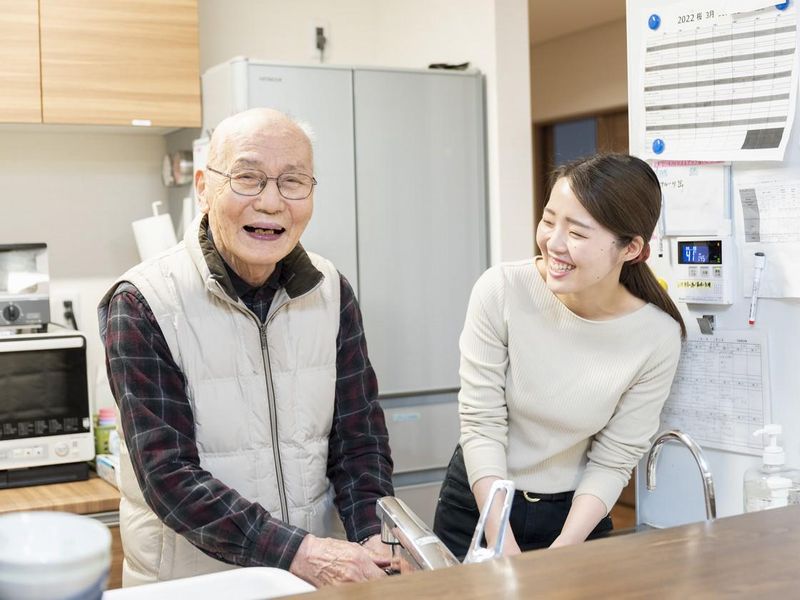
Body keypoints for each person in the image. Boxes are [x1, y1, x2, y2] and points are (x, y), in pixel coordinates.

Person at [98, 108, 394, 587]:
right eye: (248, 178)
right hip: (195, 587)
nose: (272, 202)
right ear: (203, 187)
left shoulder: (330, 291)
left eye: (293, 181)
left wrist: (373, 534)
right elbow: (169, 477)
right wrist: (300, 553)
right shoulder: (143, 301)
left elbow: (359, 441)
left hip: (308, 582)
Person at [433, 153, 685, 558]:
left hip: (576, 516)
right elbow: (481, 425)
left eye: (578, 233)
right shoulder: (501, 290)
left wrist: (564, 552)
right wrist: (503, 546)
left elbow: (614, 459)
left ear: (631, 248)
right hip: (482, 504)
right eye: (550, 221)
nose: (553, 242)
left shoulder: (657, 337)